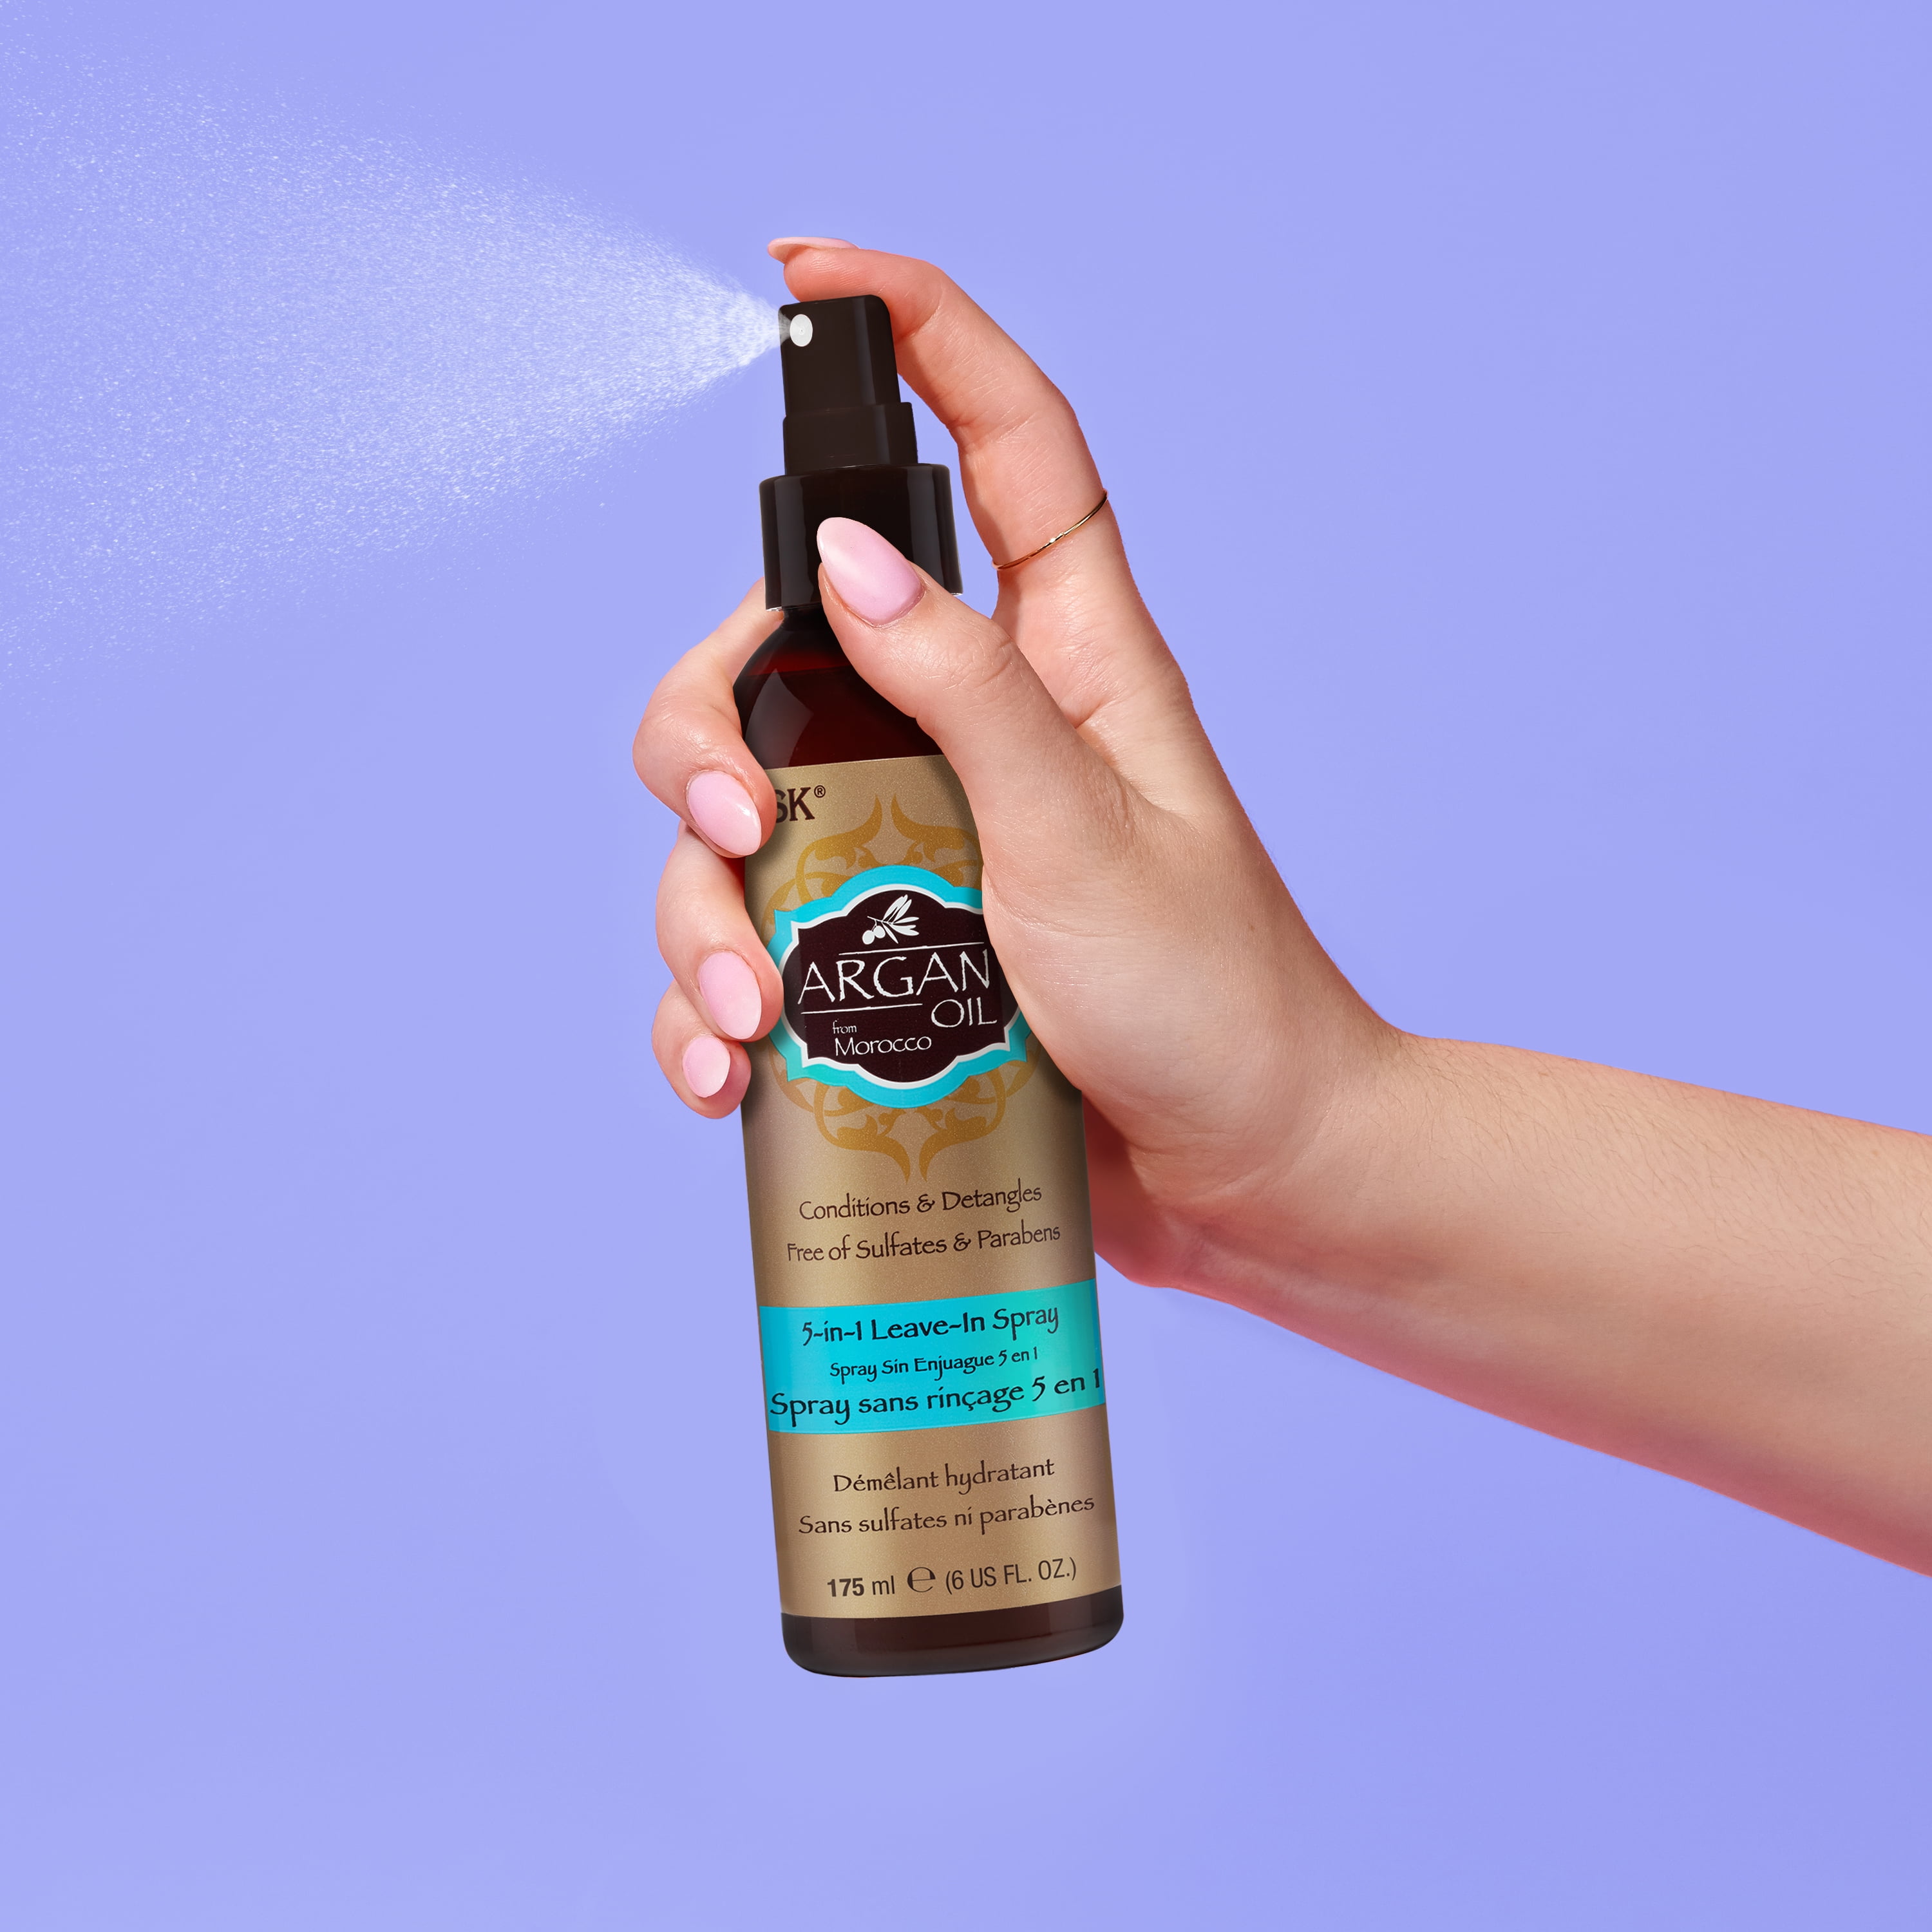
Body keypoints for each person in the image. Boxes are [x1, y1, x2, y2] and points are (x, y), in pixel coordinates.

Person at [633, 240, 1932, 1577]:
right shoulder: (782, 709)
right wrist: (1303, 1140)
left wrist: (1306, 1130)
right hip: (860, 1391)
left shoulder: (926, 698)